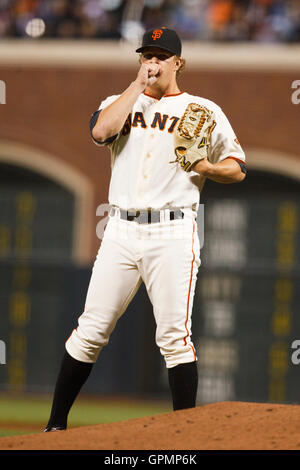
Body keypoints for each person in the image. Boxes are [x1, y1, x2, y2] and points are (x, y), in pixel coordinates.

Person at [44, 27, 246, 432]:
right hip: (119, 230)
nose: (152, 63)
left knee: (174, 337)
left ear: (179, 63)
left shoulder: (202, 110)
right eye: (146, 56)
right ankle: (55, 428)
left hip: (173, 232)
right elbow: (100, 132)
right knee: (91, 329)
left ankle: (183, 436)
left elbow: (237, 167)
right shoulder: (118, 103)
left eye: (160, 56)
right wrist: (136, 86)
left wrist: (207, 168)